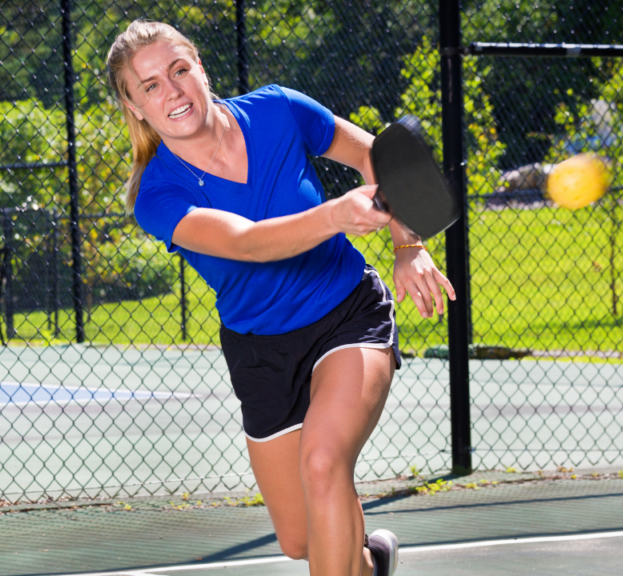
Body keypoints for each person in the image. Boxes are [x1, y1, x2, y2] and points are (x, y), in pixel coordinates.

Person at [106, 20, 455, 576]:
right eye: (149, 85)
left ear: (200, 67)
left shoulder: (279, 110)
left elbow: (376, 154)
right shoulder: (157, 194)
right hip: (260, 351)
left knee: (323, 464)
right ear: (135, 106)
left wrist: (407, 243)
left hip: (346, 315)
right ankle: (373, 563)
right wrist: (337, 213)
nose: (171, 91)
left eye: (178, 70)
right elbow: (246, 243)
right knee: (304, 541)